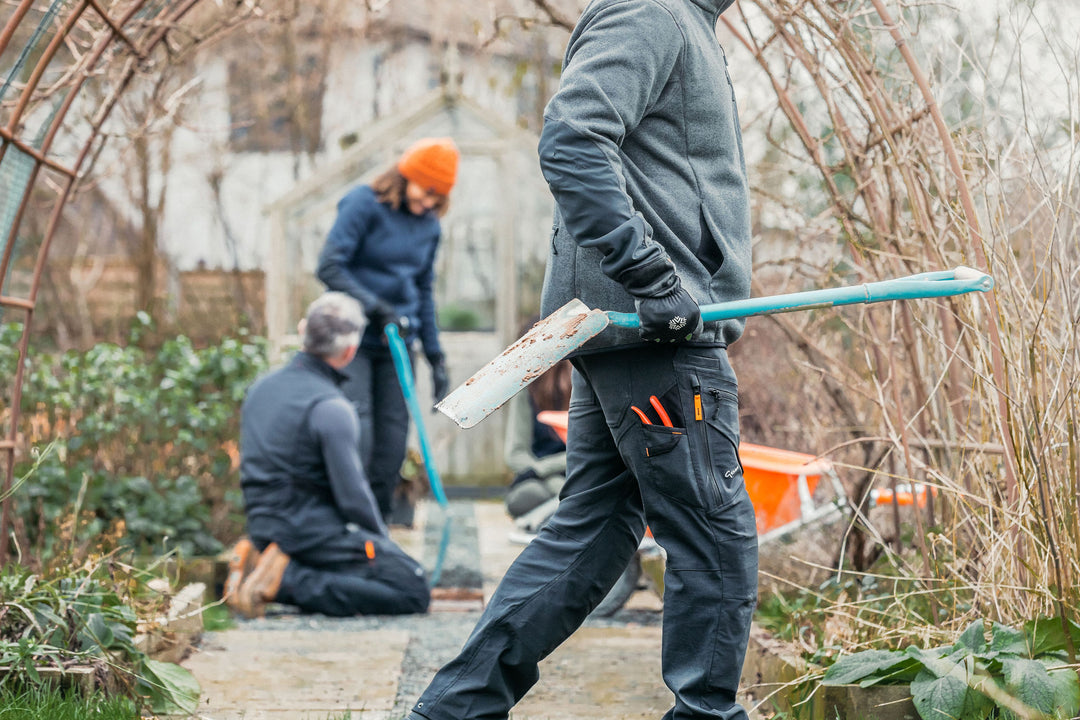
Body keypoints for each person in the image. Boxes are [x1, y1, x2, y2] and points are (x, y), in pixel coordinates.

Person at [405, 0, 757, 718]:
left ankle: (455, 709)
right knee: (717, 536)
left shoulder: (686, 23)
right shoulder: (652, 14)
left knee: (595, 533)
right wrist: (654, 277)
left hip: (638, 335)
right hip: (656, 335)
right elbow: (570, 139)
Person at [226, 292, 430, 619]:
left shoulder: (261, 387)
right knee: (411, 587)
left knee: (363, 571)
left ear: (303, 330)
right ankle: (284, 581)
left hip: (264, 525)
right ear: (350, 351)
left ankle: (265, 560)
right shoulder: (331, 407)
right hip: (309, 532)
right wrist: (382, 543)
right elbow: (353, 499)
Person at [316, 137, 459, 525]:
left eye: (438, 196)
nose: (429, 202)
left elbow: (423, 291)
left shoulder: (428, 227)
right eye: (427, 190)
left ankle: (375, 529)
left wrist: (435, 356)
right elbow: (329, 267)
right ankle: (344, 522)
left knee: (393, 443)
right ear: (406, 175)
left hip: (399, 344)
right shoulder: (363, 205)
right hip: (353, 342)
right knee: (357, 432)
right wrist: (377, 308)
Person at [502, 349, 572, 531]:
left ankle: (555, 512)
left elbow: (591, 454)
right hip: (541, 480)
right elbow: (515, 454)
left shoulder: (588, 385)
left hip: (580, 475)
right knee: (523, 498)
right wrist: (551, 479)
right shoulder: (529, 388)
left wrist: (544, 468)